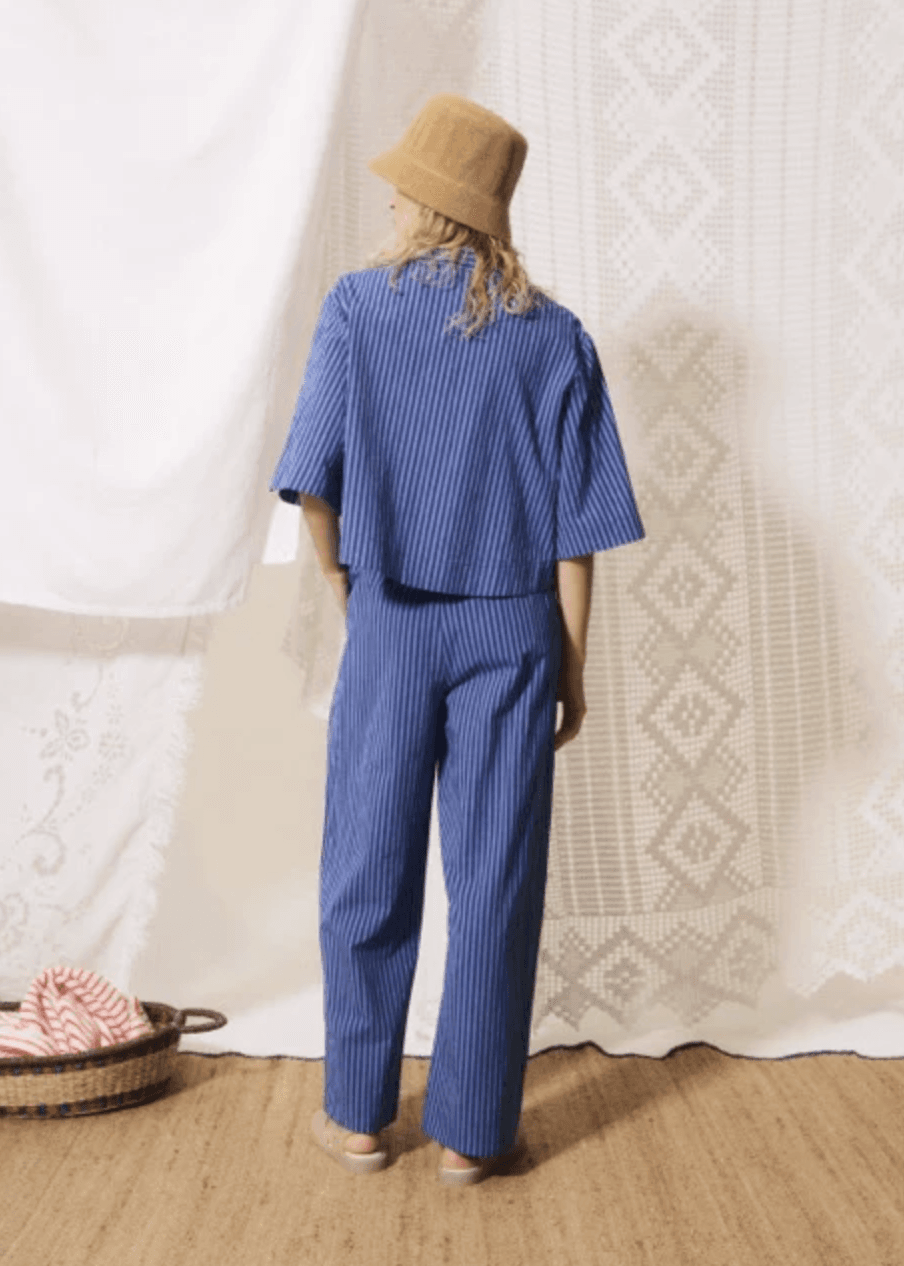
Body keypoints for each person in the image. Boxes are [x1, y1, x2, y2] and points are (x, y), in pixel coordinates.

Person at [269, 93, 645, 1185]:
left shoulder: (357, 309)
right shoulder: (555, 336)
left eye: (403, 185)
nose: (390, 198)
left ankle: (357, 1118)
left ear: (431, 201)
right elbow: (579, 532)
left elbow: (314, 484)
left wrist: (346, 590)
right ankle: (475, 1136)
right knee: (495, 881)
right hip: (515, 633)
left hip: (392, 622)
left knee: (365, 868)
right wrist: (572, 665)